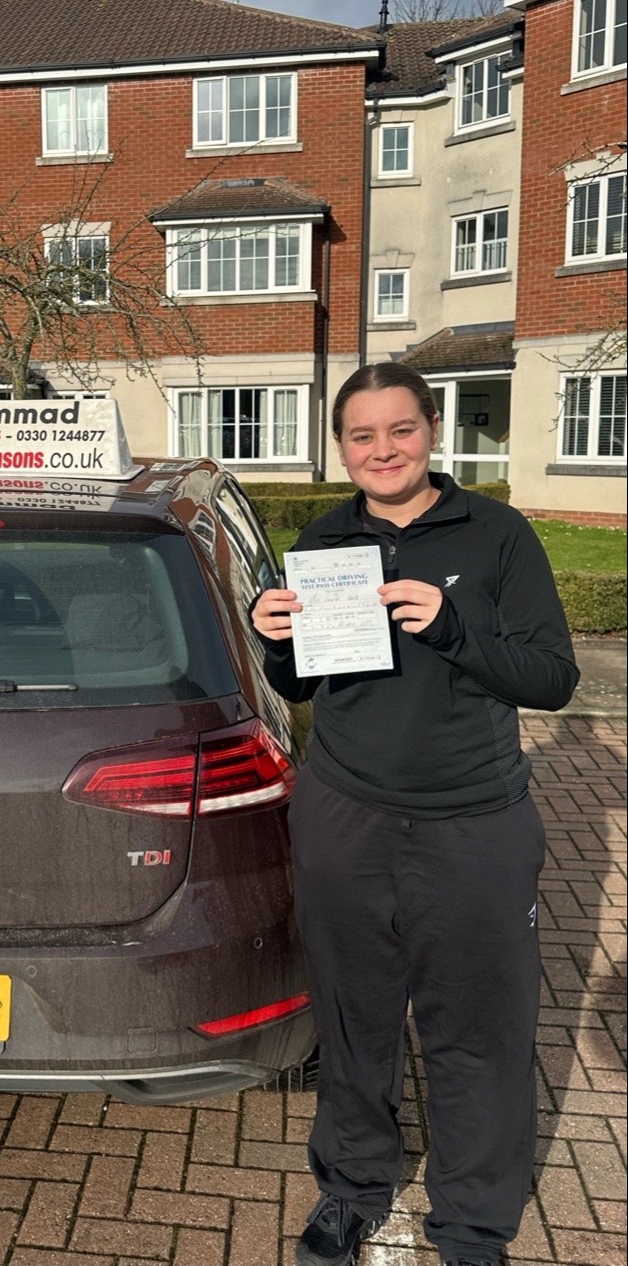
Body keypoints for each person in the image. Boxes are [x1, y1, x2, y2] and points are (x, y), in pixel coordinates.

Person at [250, 362, 578, 1266]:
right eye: (361, 436)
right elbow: (305, 681)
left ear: (429, 430)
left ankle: (472, 1224)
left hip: (472, 820)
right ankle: (352, 1188)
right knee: (353, 1017)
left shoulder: (498, 533)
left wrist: (451, 625)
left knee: (476, 1025)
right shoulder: (322, 539)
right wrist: (275, 641)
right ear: (342, 448)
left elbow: (551, 679)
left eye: (399, 430)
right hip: (345, 813)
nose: (382, 450)